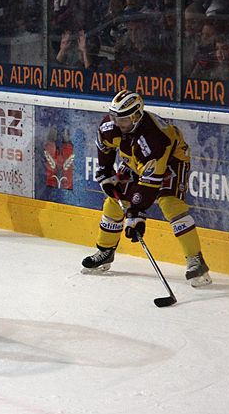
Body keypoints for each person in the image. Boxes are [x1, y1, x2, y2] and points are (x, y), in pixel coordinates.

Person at [81, 90, 212, 287]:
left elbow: (149, 184)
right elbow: (105, 147)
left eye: (122, 119)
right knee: (115, 202)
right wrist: (106, 173)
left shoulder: (155, 138)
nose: (117, 123)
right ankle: (105, 251)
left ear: (136, 116)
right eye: (115, 116)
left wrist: (136, 213)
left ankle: (196, 260)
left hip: (170, 162)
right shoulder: (112, 126)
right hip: (136, 160)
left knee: (171, 204)